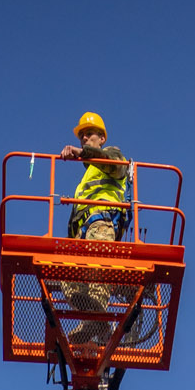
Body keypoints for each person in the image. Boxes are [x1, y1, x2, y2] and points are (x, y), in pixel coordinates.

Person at [59, 112, 130, 346]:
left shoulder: (113, 155)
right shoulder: (86, 176)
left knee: (97, 276)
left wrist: (83, 153)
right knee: (67, 281)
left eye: (89, 133)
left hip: (101, 223)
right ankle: (96, 322)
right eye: (82, 135)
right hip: (82, 233)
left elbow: (113, 165)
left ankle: (95, 322)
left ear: (102, 138)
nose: (84, 138)